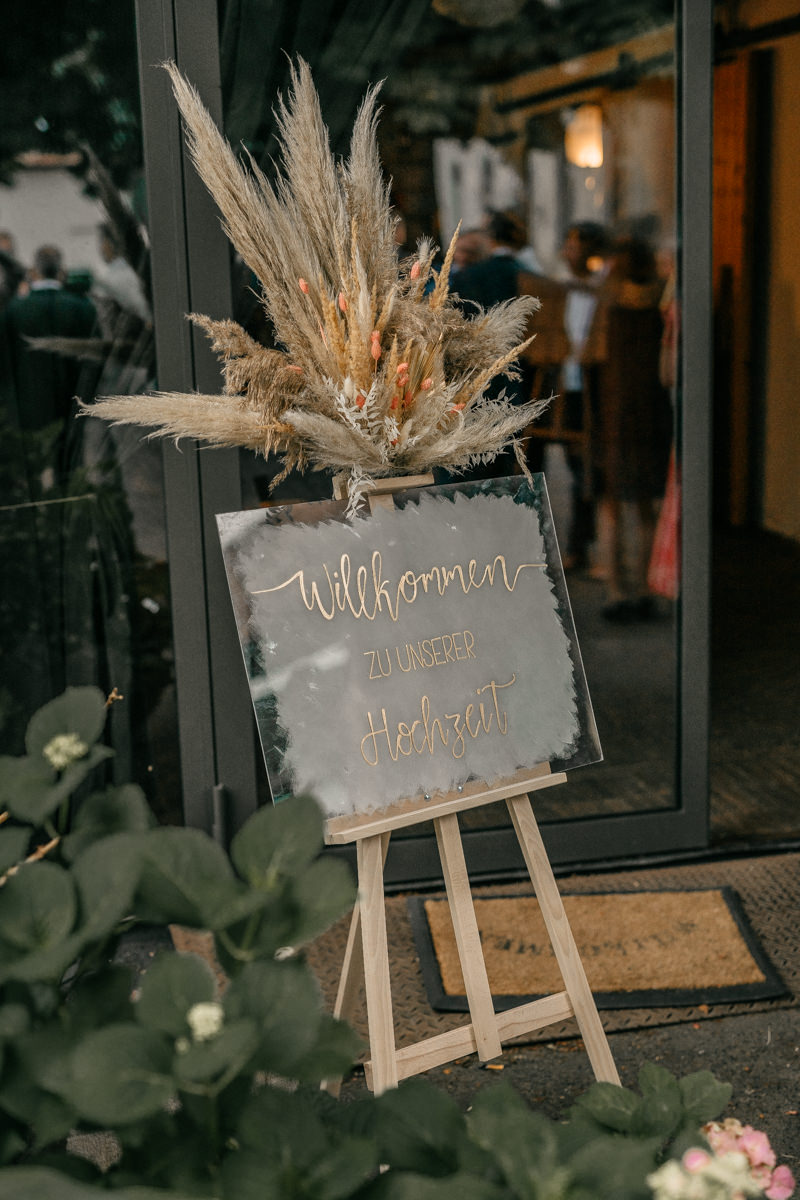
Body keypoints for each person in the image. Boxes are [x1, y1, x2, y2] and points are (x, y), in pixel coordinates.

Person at [583, 235, 673, 621]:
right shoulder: (661, 301)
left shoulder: (607, 304)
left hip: (611, 416)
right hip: (652, 415)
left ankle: (617, 592)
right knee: (645, 508)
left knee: (612, 507)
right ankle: (644, 590)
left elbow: (588, 357)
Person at [444, 210, 541, 480]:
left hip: (473, 383)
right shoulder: (528, 275)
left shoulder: (467, 278)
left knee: (473, 467)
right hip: (522, 380)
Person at [0, 244, 98, 484]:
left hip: (27, 401)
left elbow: (5, 360)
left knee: (30, 467)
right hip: (72, 397)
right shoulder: (83, 308)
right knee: (70, 465)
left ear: (35, 271)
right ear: (61, 271)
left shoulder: (15, 310)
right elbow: (94, 358)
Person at [556, 221, 609, 569]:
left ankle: (582, 543)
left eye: (573, 245)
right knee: (578, 465)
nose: (566, 251)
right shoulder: (567, 288)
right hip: (571, 384)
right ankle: (582, 540)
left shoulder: (599, 288)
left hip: (594, 385)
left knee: (587, 465)